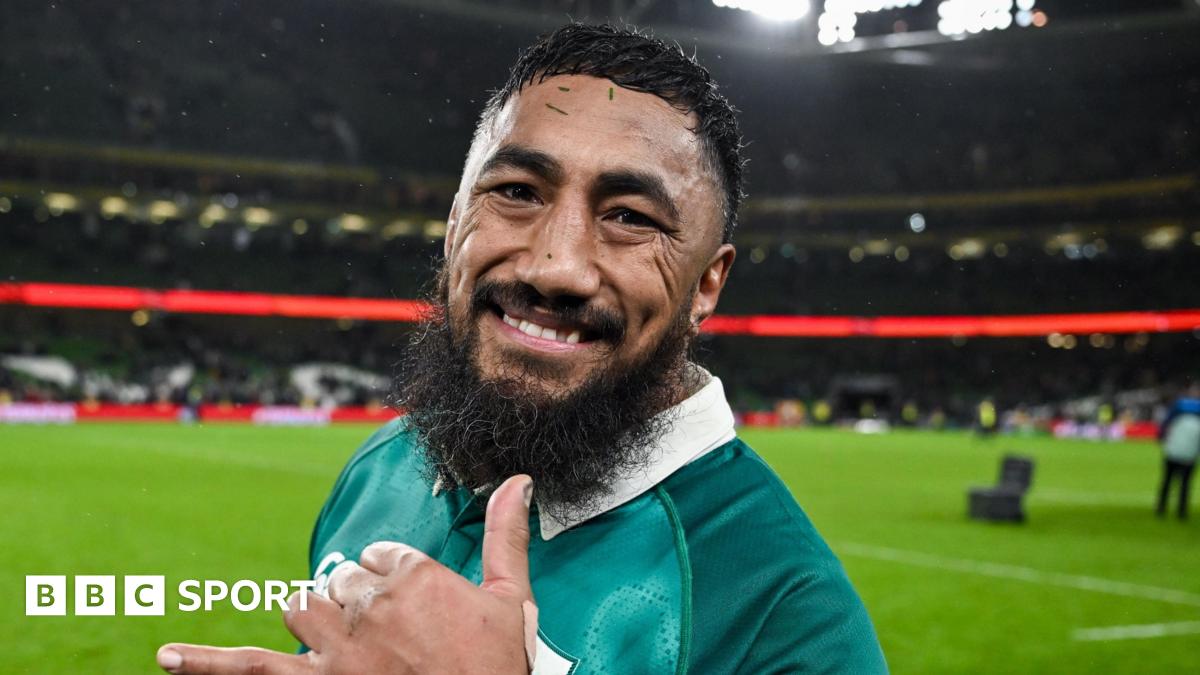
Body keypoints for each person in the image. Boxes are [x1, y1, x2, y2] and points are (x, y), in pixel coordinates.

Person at [156, 23, 886, 674]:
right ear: (454, 225)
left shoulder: (786, 618)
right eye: (517, 192)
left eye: (630, 217)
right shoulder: (381, 468)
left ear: (707, 284)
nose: (554, 267)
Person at [1156, 384, 1200, 520]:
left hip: (1175, 450)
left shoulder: (1179, 405)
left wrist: (1161, 436)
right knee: (1184, 483)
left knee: (1168, 480)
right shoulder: (1189, 410)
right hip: (1189, 452)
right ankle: (1181, 511)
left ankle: (1161, 508)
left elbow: (1166, 422)